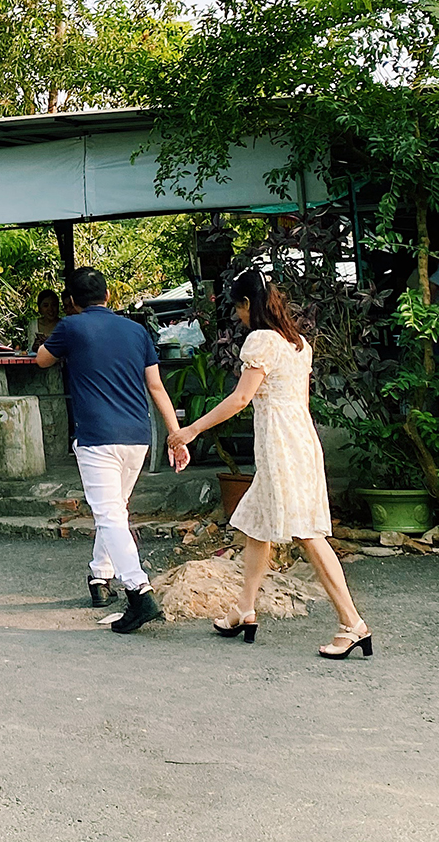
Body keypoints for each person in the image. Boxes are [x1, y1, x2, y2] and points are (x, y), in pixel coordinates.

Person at [169, 267, 374, 660]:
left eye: (238, 309)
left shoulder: (261, 341)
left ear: (248, 304)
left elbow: (241, 399)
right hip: (299, 439)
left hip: (280, 445)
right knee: (258, 526)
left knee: (307, 533)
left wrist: (191, 429)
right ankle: (245, 608)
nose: (238, 317)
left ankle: (353, 624)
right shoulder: (296, 342)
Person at [37, 267, 191, 633]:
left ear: (72, 301)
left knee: (108, 515)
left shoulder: (71, 327)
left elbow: (42, 359)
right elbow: (156, 386)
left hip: (96, 436)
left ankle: (139, 592)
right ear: (108, 296)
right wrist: (176, 433)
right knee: (115, 511)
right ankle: (99, 576)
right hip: (137, 435)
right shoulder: (136, 331)